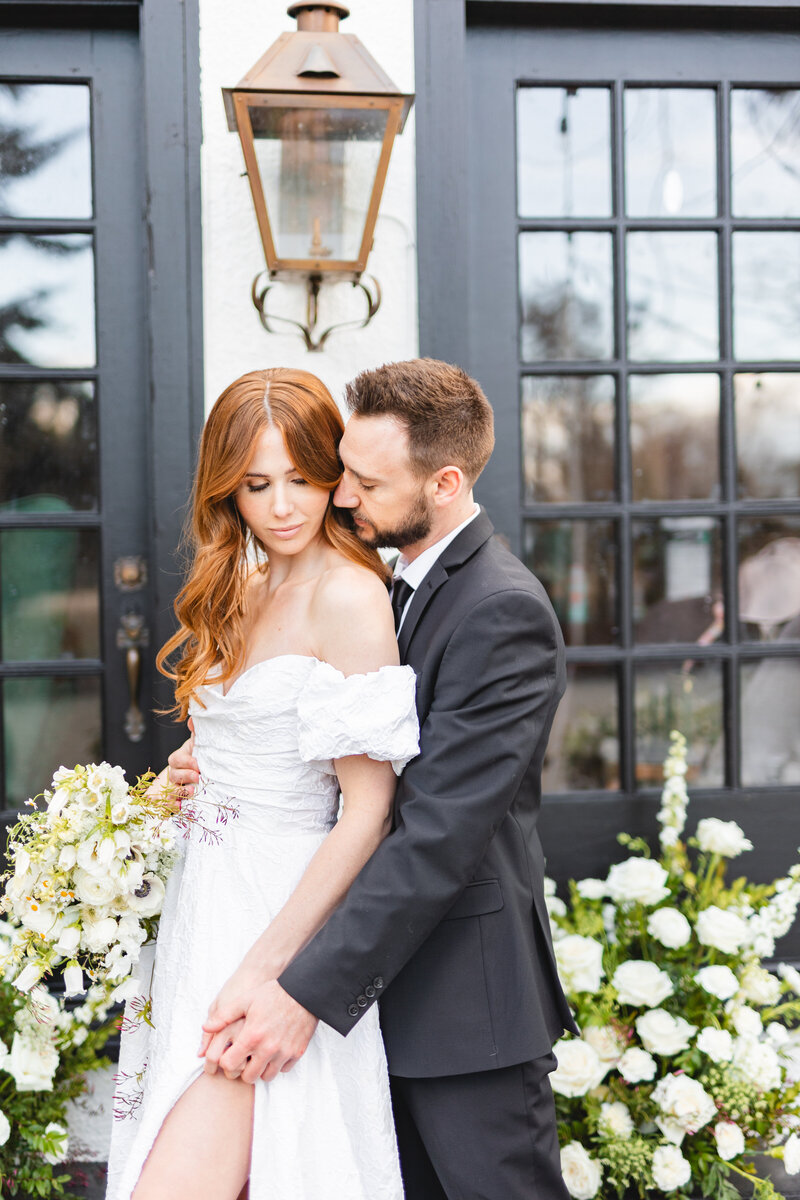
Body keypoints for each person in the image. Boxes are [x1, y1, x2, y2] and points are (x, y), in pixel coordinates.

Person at [174, 358, 577, 1199]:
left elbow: (435, 835)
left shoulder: (501, 608)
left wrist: (300, 991)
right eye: (344, 471)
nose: (339, 495)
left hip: (463, 1010)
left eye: (363, 479)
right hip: (370, 999)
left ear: (445, 481)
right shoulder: (385, 574)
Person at [105, 368, 420, 1200]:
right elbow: (244, 737)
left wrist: (272, 974)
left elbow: (369, 812)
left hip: (278, 914)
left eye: (302, 479)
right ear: (226, 490)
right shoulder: (237, 591)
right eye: (255, 485)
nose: (282, 506)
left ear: (332, 475)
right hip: (201, 900)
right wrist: (189, 770)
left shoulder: (350, 598)